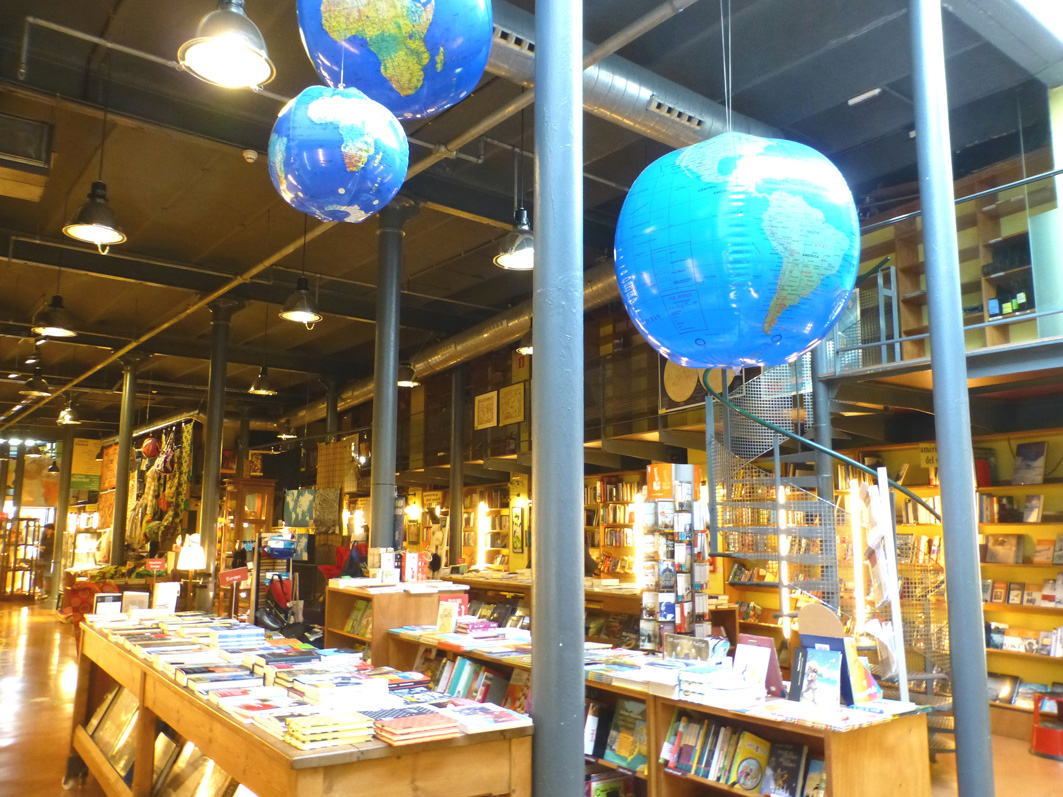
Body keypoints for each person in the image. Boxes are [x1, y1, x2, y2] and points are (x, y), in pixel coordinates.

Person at [37, 523, 56, 596]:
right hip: (42, 556)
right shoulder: (44, 536)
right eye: (46, 529)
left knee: (47, 573)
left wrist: (45, 548)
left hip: (49, 556)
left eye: (47, 529)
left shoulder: (53, 538)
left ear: (51, 530)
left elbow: (53, 548)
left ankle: (47, 590)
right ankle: (41, 589)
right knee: (40, 573)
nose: (46, 530)